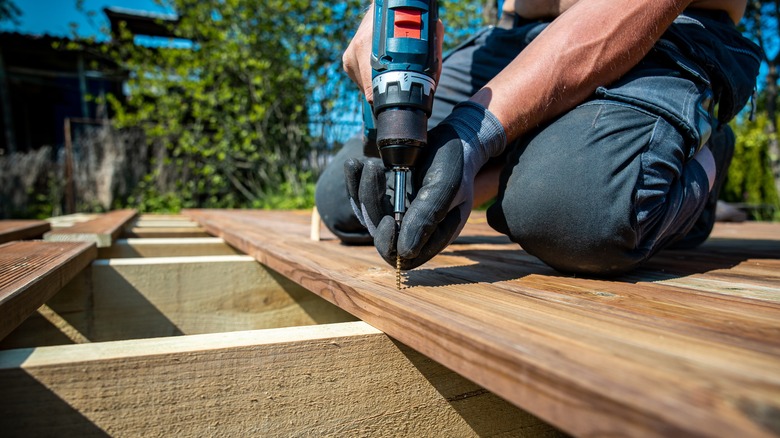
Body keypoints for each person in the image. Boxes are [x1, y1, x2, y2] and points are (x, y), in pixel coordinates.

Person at [315, 0, 762, 275]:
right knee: (349, 198)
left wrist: (475, 132)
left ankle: (703, 149)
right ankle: (524, 155)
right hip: (516, 37)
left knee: (574, 212)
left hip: (663, 26)